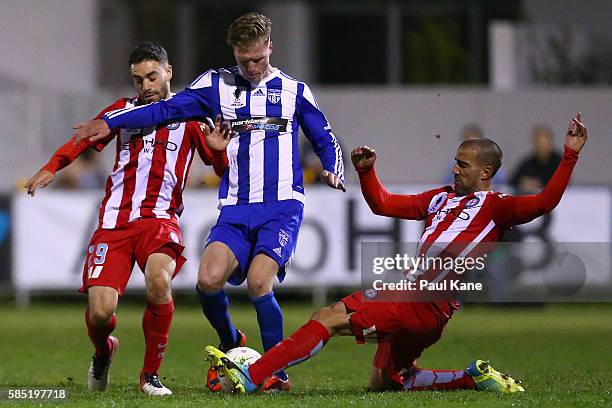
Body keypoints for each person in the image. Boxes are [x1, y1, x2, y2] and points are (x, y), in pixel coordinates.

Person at [204, 113, 588, 393]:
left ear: (485, 173)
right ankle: (470, 377)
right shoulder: (438, 199)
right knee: (385, 382)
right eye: (455, 161)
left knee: (329, 316)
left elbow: (544, 201)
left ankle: (253, 377)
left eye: (463, 165)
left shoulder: (496, 207)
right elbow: (383, 204)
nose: (454, 169)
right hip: (429, 313)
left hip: (417, 301)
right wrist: (368, 172)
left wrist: (569, 155)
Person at [72, 12, 345, 392]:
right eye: (243, 59)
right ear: (233, 52)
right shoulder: (215, 85)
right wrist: (112, 122)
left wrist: (334, 168)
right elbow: (165, 109)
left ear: (270, 47)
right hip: (234, 206)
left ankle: (276, 372)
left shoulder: (294, 91)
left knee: (258, 283)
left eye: (257, 59)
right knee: (207, 281)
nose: (251, 67)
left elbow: (323, 134)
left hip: (281, 205)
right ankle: (232, 340)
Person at [25, 42, 228, 396]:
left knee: (159, 283)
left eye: (152, 76)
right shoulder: (124, 111)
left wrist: (220, 151)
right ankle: (104, 352)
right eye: (138, 80)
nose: (146, 86)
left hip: (160, 220)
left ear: (169, 72)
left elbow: (221, 167)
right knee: (101, 313)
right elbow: (88, 135)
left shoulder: (193, 117)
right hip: (114, 223)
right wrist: (52, 166)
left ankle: (150, 375)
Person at [510, 124, 561, 194]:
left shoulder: (559, 161)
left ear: (549, 142)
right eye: (537, 142)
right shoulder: (529, 161)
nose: (540, 145)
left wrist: (539, 183)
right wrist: (523, 181)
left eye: (543, 142)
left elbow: (563, 181)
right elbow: (513, 180)